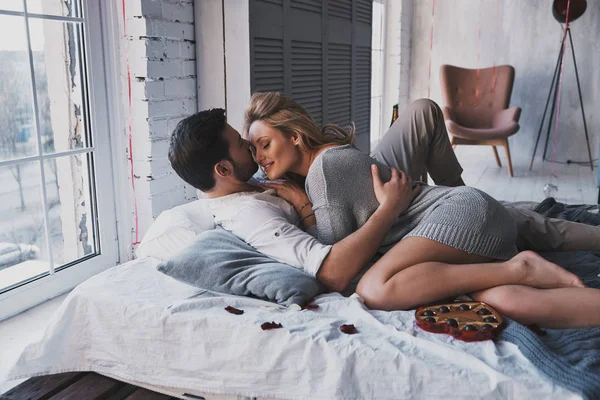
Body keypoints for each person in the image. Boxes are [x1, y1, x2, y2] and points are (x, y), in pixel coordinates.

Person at [243, 92, 600, 329]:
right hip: (455, 226)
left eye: (266, 143)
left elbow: (335, 269)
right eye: (253, 150)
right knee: (501, 300)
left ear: (294, 135)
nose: (260, 157)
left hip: (460, 214)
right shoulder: (319, 170)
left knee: (374, 288)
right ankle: (529, 275)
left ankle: (521, 267)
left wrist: (304, 207)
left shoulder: (325, 169)